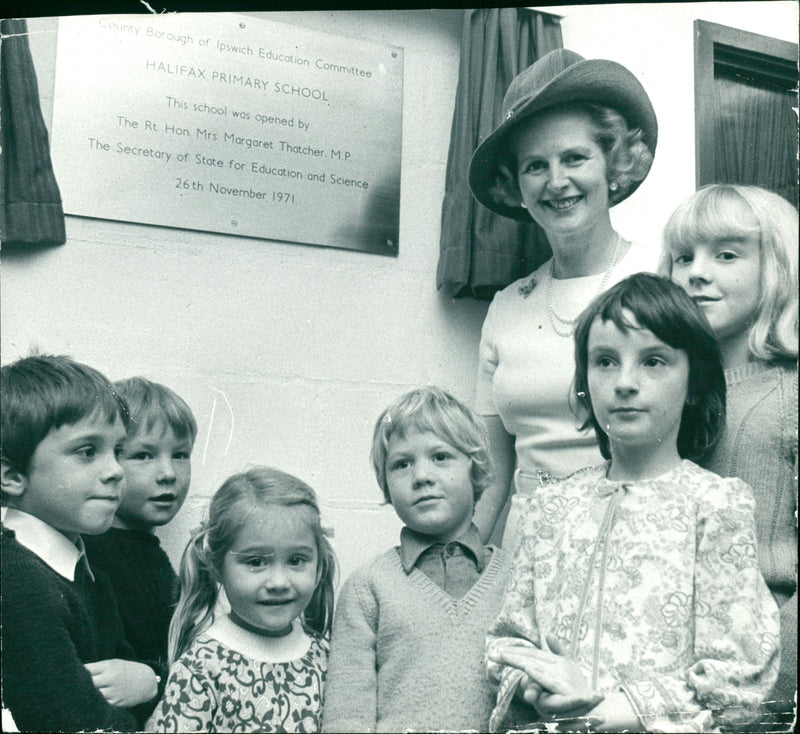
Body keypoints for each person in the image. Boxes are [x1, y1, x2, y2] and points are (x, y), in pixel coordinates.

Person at [486, 274, 779, 732]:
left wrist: (606, 710)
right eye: (604, 361)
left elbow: (739, 681)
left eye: (654, 362)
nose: (624, 382)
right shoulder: (550, 509)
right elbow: (507, 644)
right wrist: (539, 686)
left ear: (695, 382)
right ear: (583, 382)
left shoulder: (714, 506)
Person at [468, 48, 661, 548]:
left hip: (631, 546)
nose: (557, 182)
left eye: (575, 157)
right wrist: (460, 562)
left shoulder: (663, 278)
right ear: (516, 185)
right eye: (535, 165)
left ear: (614, 163)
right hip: (525, 554)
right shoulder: (508, 306)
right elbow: (492, 470)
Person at [662, 184, 798, 729]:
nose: (696, 272)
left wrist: (762, 698)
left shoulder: (789, 397)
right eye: (683, 257)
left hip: (761, 689)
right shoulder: (672, 399)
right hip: (676, 682)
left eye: (726, 254)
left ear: (779, 268)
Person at [322, 386, 510, 732]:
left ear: (476, 470)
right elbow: (347, 714)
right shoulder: (368, 587)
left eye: (440, 457)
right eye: (402, 464)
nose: (421, 476)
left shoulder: (515, 580)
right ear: (386, 485)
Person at [1, 354, 161, 732]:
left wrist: (149, 681)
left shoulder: (85, 573)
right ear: (11, 476)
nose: (116, 471)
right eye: (88, 451)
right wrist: (148, 689)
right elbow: (77, 723)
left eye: (118, 451)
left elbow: (126, 685)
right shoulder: (16, 578)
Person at [146, 466, 336, 733]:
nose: (279, 583)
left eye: (296, 561)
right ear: (216, 565)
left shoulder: (326, 655)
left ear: (318, 564)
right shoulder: (201, 668)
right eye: (256, 562)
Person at [85, 377, 197, 679]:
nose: (168, 474)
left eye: (180, 454)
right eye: (143, 455)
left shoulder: (143, 550)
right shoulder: (96, 556)